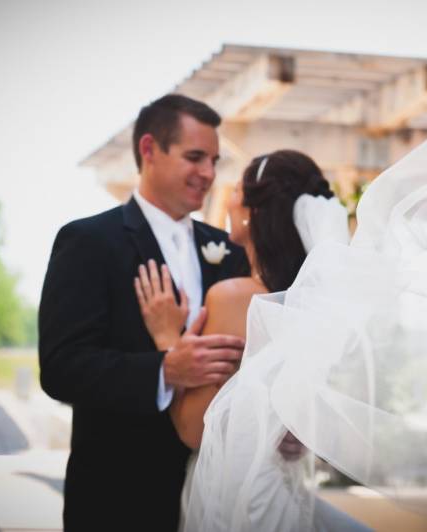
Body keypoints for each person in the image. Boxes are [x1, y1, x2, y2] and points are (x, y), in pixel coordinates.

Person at [38, 94, 249, 532]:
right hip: (117, 498)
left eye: (214, 160)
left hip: (217, 498)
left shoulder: (229, 253)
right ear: (149, 150)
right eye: (195, 157)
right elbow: (61, 369)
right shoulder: (89, 242)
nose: (209, 174)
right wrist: (164, 370)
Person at [135, 150, 367, 530]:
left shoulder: (234, 297)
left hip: (235, 491)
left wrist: (166, 339)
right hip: (278, 485)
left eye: (236, 189)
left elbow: (196, 431)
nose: (226, 196)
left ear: (253, 210)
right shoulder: (309, 303)